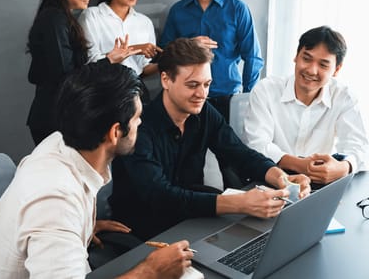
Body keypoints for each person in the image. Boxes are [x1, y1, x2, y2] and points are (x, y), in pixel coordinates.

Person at [0, 61, 194, 278]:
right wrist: (151, 271)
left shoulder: (59, 142)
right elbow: (55, 211)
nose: (140, 123)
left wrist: (80, 226)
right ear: (114, 133)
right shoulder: (56, 204)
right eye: (136, 117)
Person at [109, 38, 311, 241]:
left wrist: (280, 177)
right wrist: (240, 203)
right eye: (192, 85)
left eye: (207, 84)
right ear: (166, 80)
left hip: (191, 216)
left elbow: (239, 153)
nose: (202, 94)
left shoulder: (204, 112)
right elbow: (160, 196)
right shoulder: (140, 127)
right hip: (145, 226)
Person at [244, 26, 369, 187]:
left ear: (336, 69)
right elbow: (256, 145)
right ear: (296, 57)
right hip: (271, 178)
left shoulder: (344, 97)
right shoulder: (266, 90)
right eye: (307, 59)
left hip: (320, 183)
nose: (311, 70)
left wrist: (344, 167)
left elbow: (358, 146)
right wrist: (299, 165)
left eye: (323, 65)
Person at [160, 0, 264, 121]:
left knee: (228, 148)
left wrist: (248, 98)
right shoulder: (178, 11)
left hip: (227, 97)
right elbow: (162, 55)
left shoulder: (237, 9)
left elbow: (253, 57)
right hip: (186, 99)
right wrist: (187, 46)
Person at [26, 0, 94, 145]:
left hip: (58, 114)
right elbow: (66, 74)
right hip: (54, 118)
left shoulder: (60, 18)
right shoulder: (54, 20)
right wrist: (109, 61)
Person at [78, 0, 162, 77]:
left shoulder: (145, 22)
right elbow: (91, 62)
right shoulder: (92, 16)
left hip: (135, 91)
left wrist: (167, 63)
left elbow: (143, 69)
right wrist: (134, 49)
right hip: (102, 90)